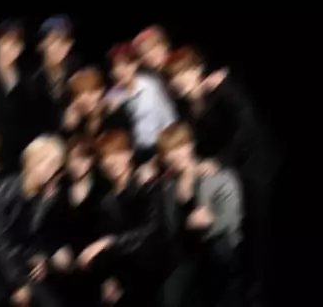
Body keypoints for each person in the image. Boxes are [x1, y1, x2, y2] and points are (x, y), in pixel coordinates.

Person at [166, 47, 278, 307]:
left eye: (184, 72)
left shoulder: (220, 89)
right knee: (232, 233)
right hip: (227, 173)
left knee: (257, 230)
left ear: (197, 69)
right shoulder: (185, 108)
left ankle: (256, 292)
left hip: (253, 165)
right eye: (174, 77)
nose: (181, 80)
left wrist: (219, 161)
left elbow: (247, 129)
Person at [0, 134, 72, 306]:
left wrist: (41, 258)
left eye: (54, 164)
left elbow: (35, 239)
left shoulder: (43, 199)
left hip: (21, 267)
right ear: (30, 161)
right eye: (43, 161)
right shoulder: (5, 189)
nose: (49, 169)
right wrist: (18, 283)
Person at [155, 122, 243, 307]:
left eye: (180, 146)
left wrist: (211, 220)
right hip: (184, 255)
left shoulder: (215, 175)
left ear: (191, 145)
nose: (176, 155)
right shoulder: (167, 186)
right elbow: (168, 227)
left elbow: (233, 218)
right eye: (169, 151)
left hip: (215, 252)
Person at [77, 129, 161, 307]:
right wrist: (109, 279)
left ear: (129, 154)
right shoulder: (105, 200)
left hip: (154, 272)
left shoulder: (146, 185)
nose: (112, 161)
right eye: (106, 157)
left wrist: (109, 242)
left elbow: (152, 229)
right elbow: (103, 240)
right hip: (124, 277)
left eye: (118, 153)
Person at [107, 42, 177, 164]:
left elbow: (168, 118)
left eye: (127, 64)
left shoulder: (151, 85)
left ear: (135, 64)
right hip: (134, 155)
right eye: (116, 67)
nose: (122, 71)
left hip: (160, 147)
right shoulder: (113, 95)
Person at [58, 135, 107, 306]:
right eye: (72, 159)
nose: (77, 164)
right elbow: (51, 227)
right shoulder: (60, 188)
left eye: (83, 158)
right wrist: (56, 250)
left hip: (96, 270)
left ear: (92, 160)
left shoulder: (103, 188)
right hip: (65, 271)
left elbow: (110, 231)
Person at [0, 19, 35, 174]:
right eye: (4, 42)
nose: (9, 49)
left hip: (18, 161)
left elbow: (30, 122)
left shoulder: (27, 81)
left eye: (14, 44)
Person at [32, 16, 82, 134]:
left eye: (64, 42)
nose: (58, 48)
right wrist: (61, 121)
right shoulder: (32, 81)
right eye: (53, 41)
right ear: (42, 44)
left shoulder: (76, 71)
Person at [62, 66, 131, 139]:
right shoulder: (78, 124)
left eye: (90, 93)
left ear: (100, 91)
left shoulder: (114, 115)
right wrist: (68, 127)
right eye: (78, 95)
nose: (84, 99)